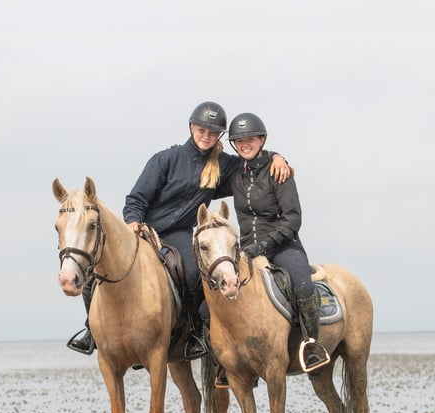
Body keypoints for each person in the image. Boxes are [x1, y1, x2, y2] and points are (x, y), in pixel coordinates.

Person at [67, 101, 290, 358]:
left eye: (212, 132)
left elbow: (252, 161)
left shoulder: (224, 165)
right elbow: (137, 198)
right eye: (201, 130)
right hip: (145, 229)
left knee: (194, 270)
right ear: (191, 127)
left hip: (179, 233)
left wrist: (276, 157)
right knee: (96, 269)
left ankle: (194, 331)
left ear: (219, 135)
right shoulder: (165, 159)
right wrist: (133, 221)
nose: (206, 136)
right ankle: (90, 330)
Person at [223, 112, 330, 375]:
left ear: (261, 139)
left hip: (283, 245)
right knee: (214, 292)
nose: (245, 144)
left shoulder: (277, 170)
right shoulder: (234, 172)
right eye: (239, 140)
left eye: (250, 138)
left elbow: (293, 218)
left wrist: (266, 244)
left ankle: (312, 345)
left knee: (302, 283)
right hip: (247, 248)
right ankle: (224, 359)